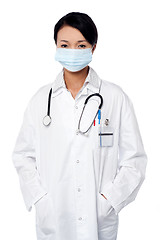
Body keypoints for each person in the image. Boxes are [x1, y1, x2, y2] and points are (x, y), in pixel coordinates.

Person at [12, 11, 148, 240]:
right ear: (55, 46)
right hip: (53, 218)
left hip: (98, 219)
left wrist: (110, 201)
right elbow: (23, 156)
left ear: (93, 48)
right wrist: (40, 199)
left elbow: (135, 161)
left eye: (81, 45)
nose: (72, 52)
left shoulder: (114, 97)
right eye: (64, 45)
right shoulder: (40, 100)